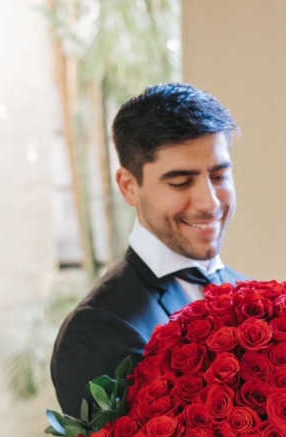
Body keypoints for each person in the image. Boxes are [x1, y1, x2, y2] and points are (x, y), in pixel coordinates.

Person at [51, 83, 246, 418]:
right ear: (129, 187)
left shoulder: (252, 293)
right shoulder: (99, 329)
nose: (209, 203)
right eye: (180, 182)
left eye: (218, 176)